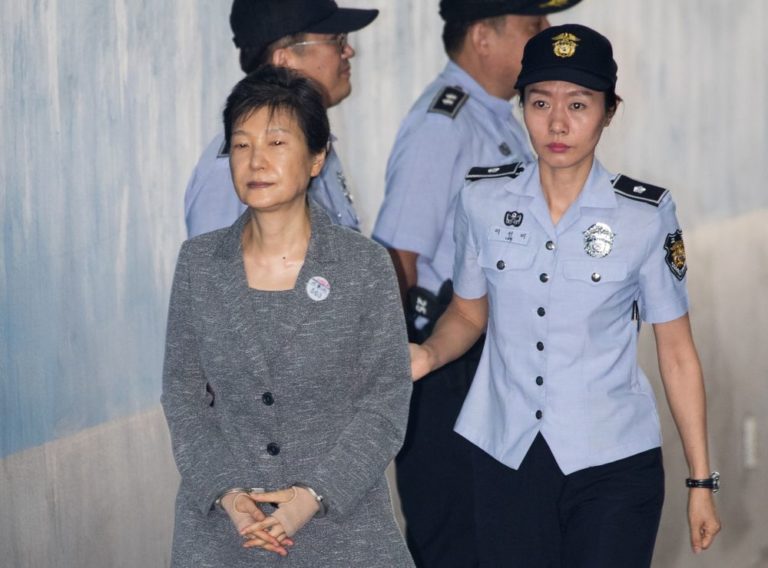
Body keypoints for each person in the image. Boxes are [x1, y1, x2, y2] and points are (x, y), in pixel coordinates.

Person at [410, 24, 722, 567]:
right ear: (522, 107)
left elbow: (676, 353)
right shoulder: (482, 199)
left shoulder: (644, 216)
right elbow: (467, 312)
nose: (557, 123)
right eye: (540, 103)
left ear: (608, 111)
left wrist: (701, 481)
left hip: (613, 461)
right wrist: (430, 354)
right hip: (504, 453)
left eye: (578, 104)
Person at [162, 65, 415, 567]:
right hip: (226, 534)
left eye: (277, 142)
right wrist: (227, 493)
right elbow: (182, 396)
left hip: (342, 529)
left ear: (317, 157)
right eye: (241, 144)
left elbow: (385, 402)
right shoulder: (198, 264)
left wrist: (314, 496)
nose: (256, 160)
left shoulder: (363, 265)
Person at [372, 1, 581, 565]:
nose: (548, 35)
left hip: (501, 367)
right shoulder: (443, 125)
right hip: (450, 371)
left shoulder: (497, 116)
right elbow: (397, 257)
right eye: (533, 26)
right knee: (459, 538)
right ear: (482, 38)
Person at [184, 0, 378, 237]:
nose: (349, 51)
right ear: (284, 60)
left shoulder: (311, 139)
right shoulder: (234, 171)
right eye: (337, 40)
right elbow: (217, 259)